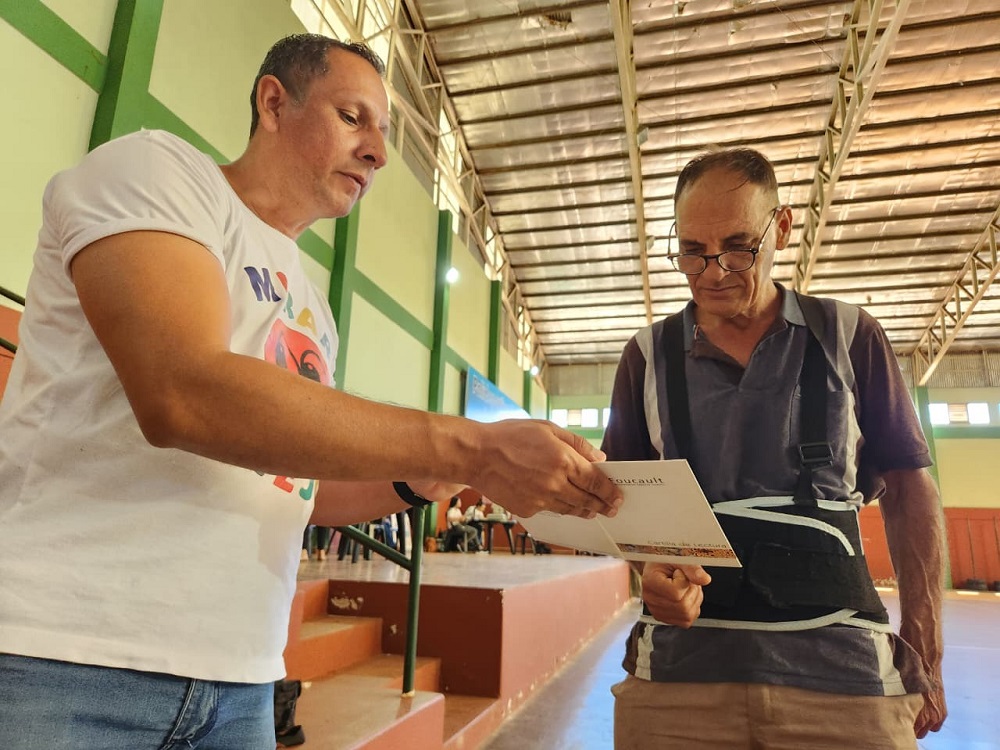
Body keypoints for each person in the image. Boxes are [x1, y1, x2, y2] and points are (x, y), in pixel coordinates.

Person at [0, 34, 622, 749]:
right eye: (353, 118)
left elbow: (299, 488)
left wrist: (429, 476)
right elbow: (183, 392)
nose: (378, 153)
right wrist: (469, 445)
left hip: (241, 679)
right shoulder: (156, 171)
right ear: (273, 103)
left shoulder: (313, 306)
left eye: (383, 132)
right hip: (65, 655)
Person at [603, 148, 946, 749]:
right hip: (677, 684)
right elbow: (622, 501)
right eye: (691, 251)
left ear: (781, 228)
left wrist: (926, 645)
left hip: (846, 682)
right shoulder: (646, 357)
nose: (713, 272)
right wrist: (646, 572)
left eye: (739, 247)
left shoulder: (850, 336)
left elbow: (910, 487)